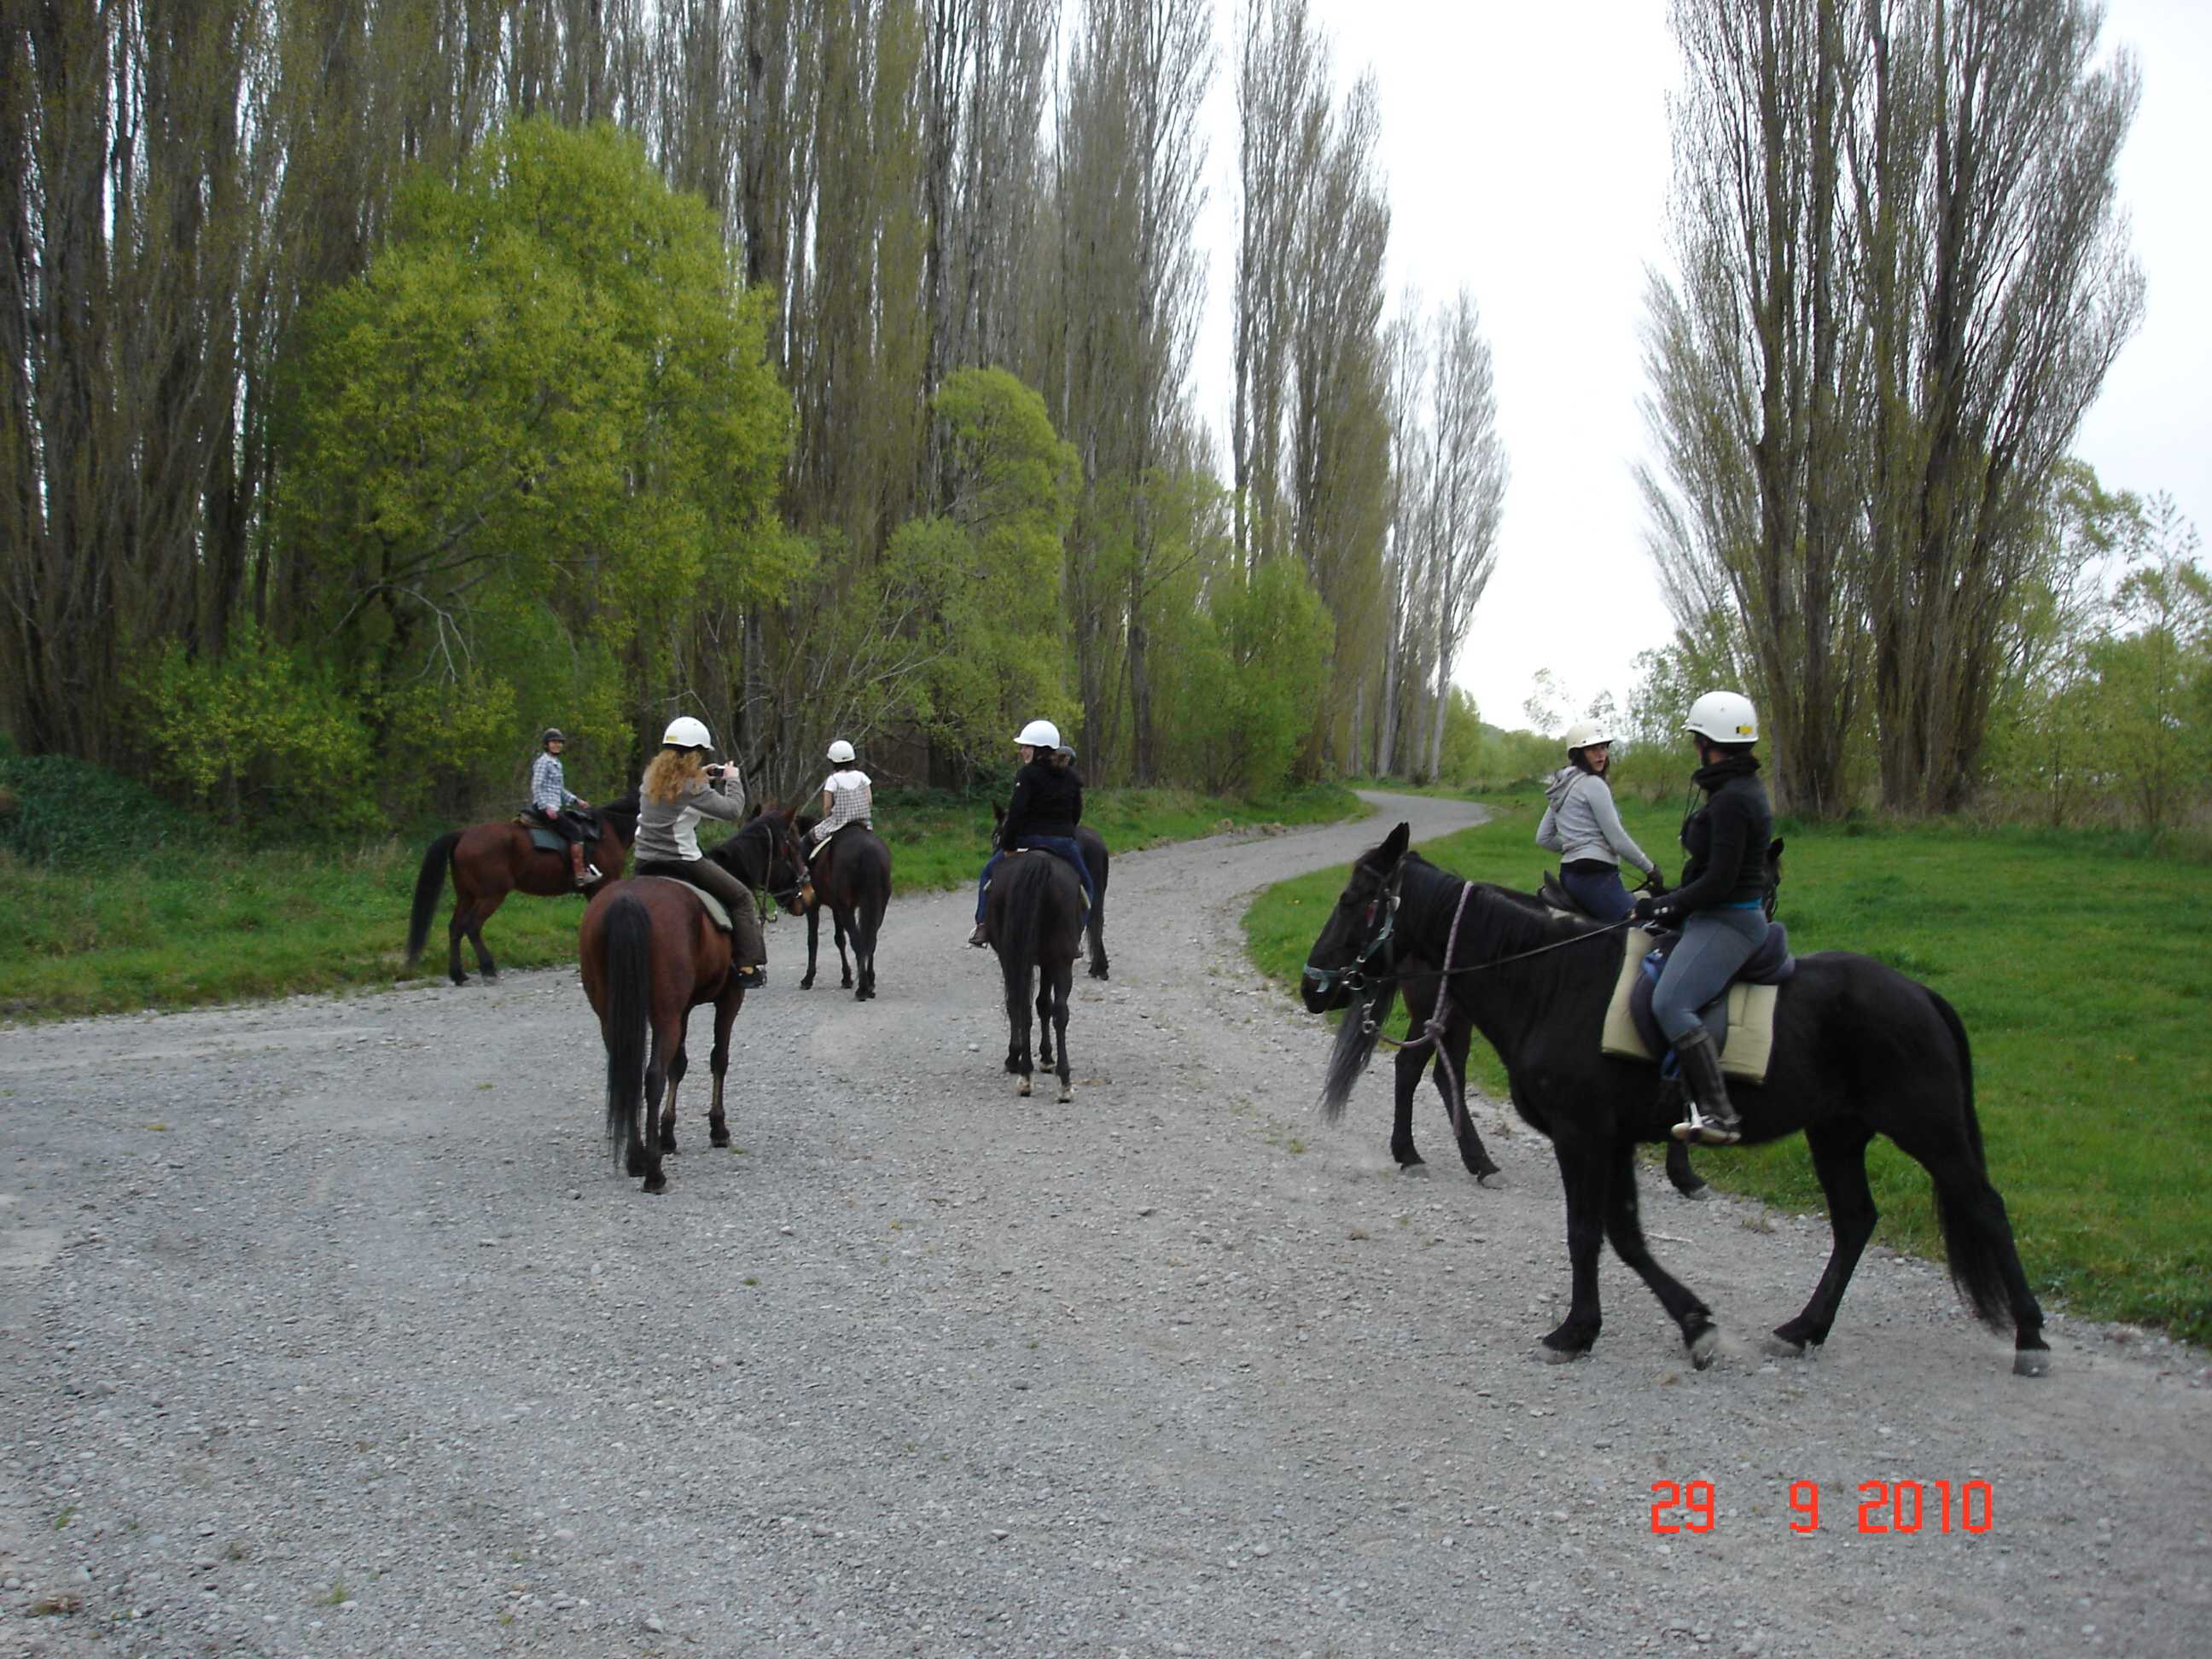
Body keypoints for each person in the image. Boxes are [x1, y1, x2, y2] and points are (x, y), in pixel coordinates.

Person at [1631, 690, 1774, 1146]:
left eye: (1696, 739)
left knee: (1670, 1003)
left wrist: (1667, 905)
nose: (1694, 746)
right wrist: (1670, 897)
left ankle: (1718, 1114)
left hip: (1729, 921)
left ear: (1708, 744)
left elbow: (1720, 882)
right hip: (1717, 911)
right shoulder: (1734, 790)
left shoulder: (1733, 800)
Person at [631, 716, 767, 988]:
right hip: (681, 861)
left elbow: (678, 789)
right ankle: (748, 966)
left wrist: (704, 773)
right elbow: (732, 810)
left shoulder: (650, 778)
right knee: (741, 897)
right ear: (694, 753)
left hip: (644, 861)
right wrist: (733, 780)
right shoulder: (694, 787)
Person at [968, 719, 1095, 948]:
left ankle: (983, 925)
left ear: (1039, 750)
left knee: (988, 874)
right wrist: (1063, 832)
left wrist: (1007, 846)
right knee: (1087, 885)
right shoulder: (1071, 777)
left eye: (1026, 746)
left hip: (1028, 840)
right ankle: (1075, 935)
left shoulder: (1027, 774)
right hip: (1064, 844)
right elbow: (1076, 814)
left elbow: (1016, 813)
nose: (1022, 751)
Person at [1534, 720, 1661, 923]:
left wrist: (1574, 848)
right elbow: (1617, 839)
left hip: (1569, 875)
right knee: (1643, 926)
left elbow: (1543, 838)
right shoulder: (1593, 784)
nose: (1601, 754)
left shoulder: (1563, 786)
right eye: (1592, 749)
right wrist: (1650, 868)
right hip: (1595, 878)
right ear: (1578, 753)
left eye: (1603, 748)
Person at [530, 727, 597, 888]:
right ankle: (580, 875)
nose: (557, 745)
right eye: (554, 742)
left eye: (559, 742)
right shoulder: (543, 762)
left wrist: (577, 801)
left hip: (556, 805)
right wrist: (546, 807)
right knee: (575, 832)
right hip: (546, 807)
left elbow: (559, 790)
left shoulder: (557, 763)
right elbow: (536, 786)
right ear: (546, 745)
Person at [809, 739, 873, 859]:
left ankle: (802, 873)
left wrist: (828, 818)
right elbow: (869, 800)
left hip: (839, 824)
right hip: (864, 824)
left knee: (809, 839)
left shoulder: (833, 779)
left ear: (833, 761)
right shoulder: (862, 776)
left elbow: (827, 806)